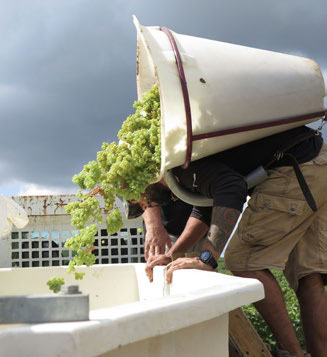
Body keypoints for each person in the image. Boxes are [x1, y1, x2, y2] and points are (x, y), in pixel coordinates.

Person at [142, 125, 326, 357]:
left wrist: (207, 257)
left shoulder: (181, 167)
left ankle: (291, 354)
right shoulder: (188, 152)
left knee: (243, 260)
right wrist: (173, 254)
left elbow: (231, 188)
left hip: (295, 168)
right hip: (316, 159)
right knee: (308, 276)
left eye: (146, 200)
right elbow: (206, 209)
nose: (147, 204)